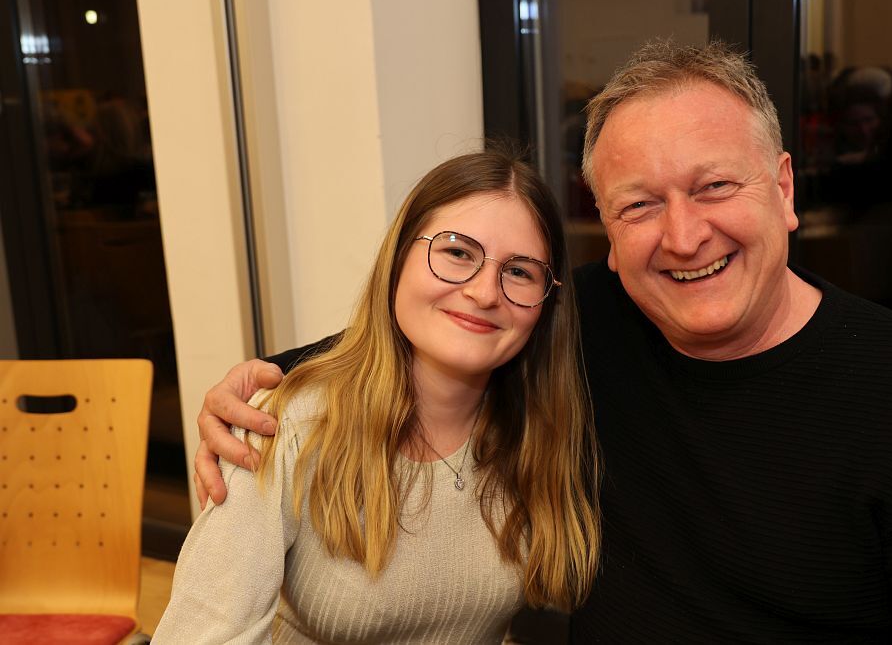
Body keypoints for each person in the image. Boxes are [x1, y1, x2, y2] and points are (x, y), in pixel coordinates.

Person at [195, 41, 892, 642]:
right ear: (607, 235)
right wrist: (265, 384)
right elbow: (439, 324)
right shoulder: (580, 324)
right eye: (639, 204)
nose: (683, 235)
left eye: (715, 185)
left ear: (783, 188)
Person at [154, 150, 600, 643]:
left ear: (546, 302)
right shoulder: (287, 424)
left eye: (519, 271)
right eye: (457, 253)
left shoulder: (542, 432)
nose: (484, 293)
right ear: (398, 258)